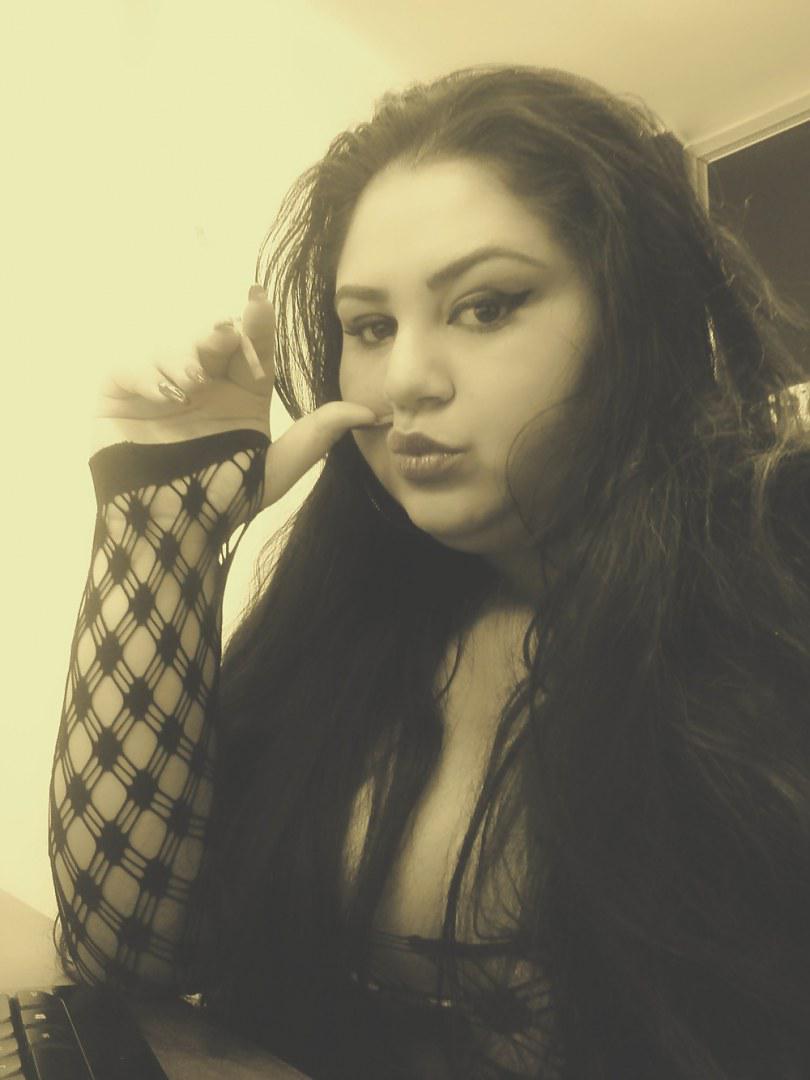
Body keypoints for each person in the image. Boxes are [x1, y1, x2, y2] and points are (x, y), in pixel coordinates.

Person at [49, 65, 810, 1079]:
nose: (405, 379)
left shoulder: (776, 584)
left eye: (486, 307)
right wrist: (159, 522)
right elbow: (126, 947)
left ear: (633, 315)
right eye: (369, 327)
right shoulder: (351, 607)